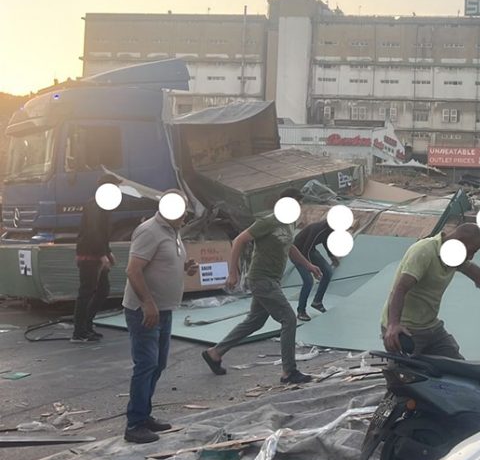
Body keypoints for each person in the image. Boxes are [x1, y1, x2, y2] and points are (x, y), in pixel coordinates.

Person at [202, 189, 322, 384]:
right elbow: (239, 240)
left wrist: (308, 265)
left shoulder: (289, 223)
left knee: (255, 321)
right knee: (289, 319)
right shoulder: (268, 221)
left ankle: (215, 353)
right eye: (296, 202)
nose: (299, 206)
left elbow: (289, 246)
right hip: (261, 278)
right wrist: (233, 273)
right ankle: (289, 371)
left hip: (272, 279)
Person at [382, 223, 480, 359]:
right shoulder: (424, 252)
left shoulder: (454, 256)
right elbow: (400, 288)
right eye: (471, 251)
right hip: (405, 329)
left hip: (430, 326)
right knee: (408, 375)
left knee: (459, 368)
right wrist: (393, 324)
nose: (471, 257)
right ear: (459, 242)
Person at [122, 191, 199, 443]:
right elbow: (133, 270)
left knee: (158, 364)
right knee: (146, 364)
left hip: (164, 309)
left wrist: (185, 268)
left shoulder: (173, 231)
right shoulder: (149, 231)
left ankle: (144, 416)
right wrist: (147, 303)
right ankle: (135, 424)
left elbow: (162, 263)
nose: (185, 214)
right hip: (145, 310)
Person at [71, 174, 121, 343]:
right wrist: (102, 255)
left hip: (97, 253)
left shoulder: (103, 205)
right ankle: (79, 332)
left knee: (102, 291)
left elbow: (102, 233)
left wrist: (108, 252)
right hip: (89, 255)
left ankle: (87, 325)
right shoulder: (95, 205)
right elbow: (93, 231)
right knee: (87, 292)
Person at [291, 218, 341, 321]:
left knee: (328, 272)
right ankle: (301, 311)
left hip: (310, 250)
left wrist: (331, 256)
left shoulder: (330, 229)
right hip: (297, 253)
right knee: (308, 281)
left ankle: (317, 302)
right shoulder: (318, 229)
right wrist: (310, 268)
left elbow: (326, 241)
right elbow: (306, 249)